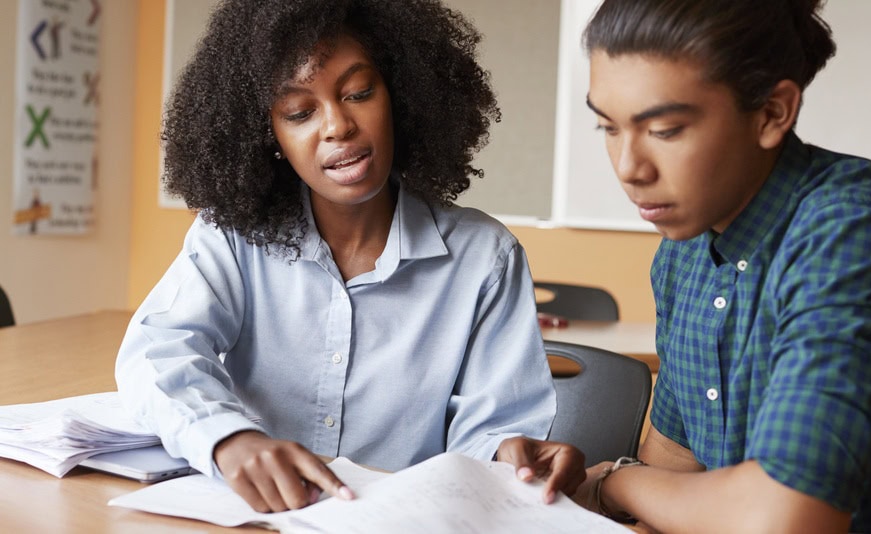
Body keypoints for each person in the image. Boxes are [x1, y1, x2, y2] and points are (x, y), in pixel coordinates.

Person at [115, 0, 583, 513]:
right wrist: (227, 438)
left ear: (401, 96)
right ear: (268, 134)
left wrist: (506, 453)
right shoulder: (232, 238)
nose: (338, 126)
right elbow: (157, 350)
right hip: (256, 518)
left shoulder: (485, 259)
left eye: (359, 93)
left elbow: (490, 434)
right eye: (299, 112)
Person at [569, 0, 871, 532]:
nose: (629, 167)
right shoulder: (684, 250)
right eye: (607, 128)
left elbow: (787, 516)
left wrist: (613, 481)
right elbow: (674, 467)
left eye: (666, 129)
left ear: (773, 112)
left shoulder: (855, 234)